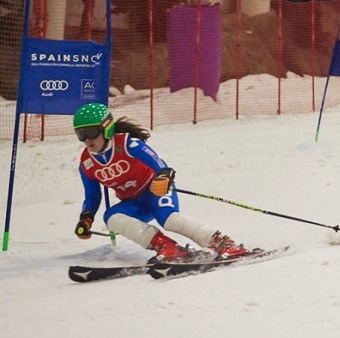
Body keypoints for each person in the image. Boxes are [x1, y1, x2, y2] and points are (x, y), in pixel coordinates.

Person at [73, 102, 256, 262]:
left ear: (107, 128)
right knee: (111, 217)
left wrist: (163, 178)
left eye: (90, 132)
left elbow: (162, 166)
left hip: (156, 190)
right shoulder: (87, 163)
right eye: (80, 135)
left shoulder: (129, 144)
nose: (86, 140)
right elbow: (92, 196)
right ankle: (167, 247)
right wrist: (86, 219)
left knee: (168, 220)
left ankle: (222, 243)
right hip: (134, 203)